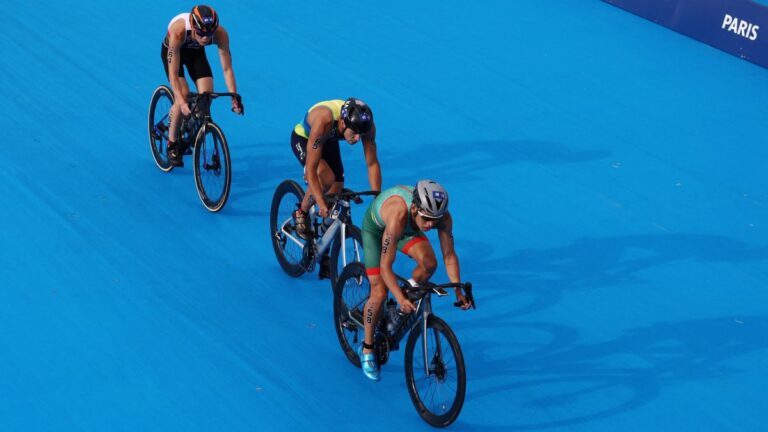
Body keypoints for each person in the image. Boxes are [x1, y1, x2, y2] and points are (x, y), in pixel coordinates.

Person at [358, 180, 472, 381]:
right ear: (414, 208)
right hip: (378, 231)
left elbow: (449, 256)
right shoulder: (399, 214)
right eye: (427, 219)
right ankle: (367, 348)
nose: (430, 225)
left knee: (429, 263)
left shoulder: (441, 218)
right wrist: (399, 298)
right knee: (379, 293)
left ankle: (405, 294)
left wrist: (458, 291)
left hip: (407, 229)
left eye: (434, 220)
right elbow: (386, 267)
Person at [161, 5, 243, 167]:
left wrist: (234, 96)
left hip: (196, 54)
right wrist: (181, 101)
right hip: (173, 53)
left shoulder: (221, 34)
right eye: (201, 34)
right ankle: (172, 144)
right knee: (183, 95)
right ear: (193, 26)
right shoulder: (179, 32)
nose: (206, 38)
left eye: (209, 34)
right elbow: (173, 75)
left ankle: (189, 123)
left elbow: (227, 69)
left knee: (207, 95)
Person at [290, 98, 382, 240]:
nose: (358, 138)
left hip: (329, 139)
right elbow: (312, 169)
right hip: (307, 139)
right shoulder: (323, 121)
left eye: (361, 134)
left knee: (336, 190)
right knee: (326, 178)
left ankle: (322, 247)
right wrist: (320, 202)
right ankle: (301, 212)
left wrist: (377, 198)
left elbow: (372, 163)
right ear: (343, 122)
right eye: (355, 133)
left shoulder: (366, 126)